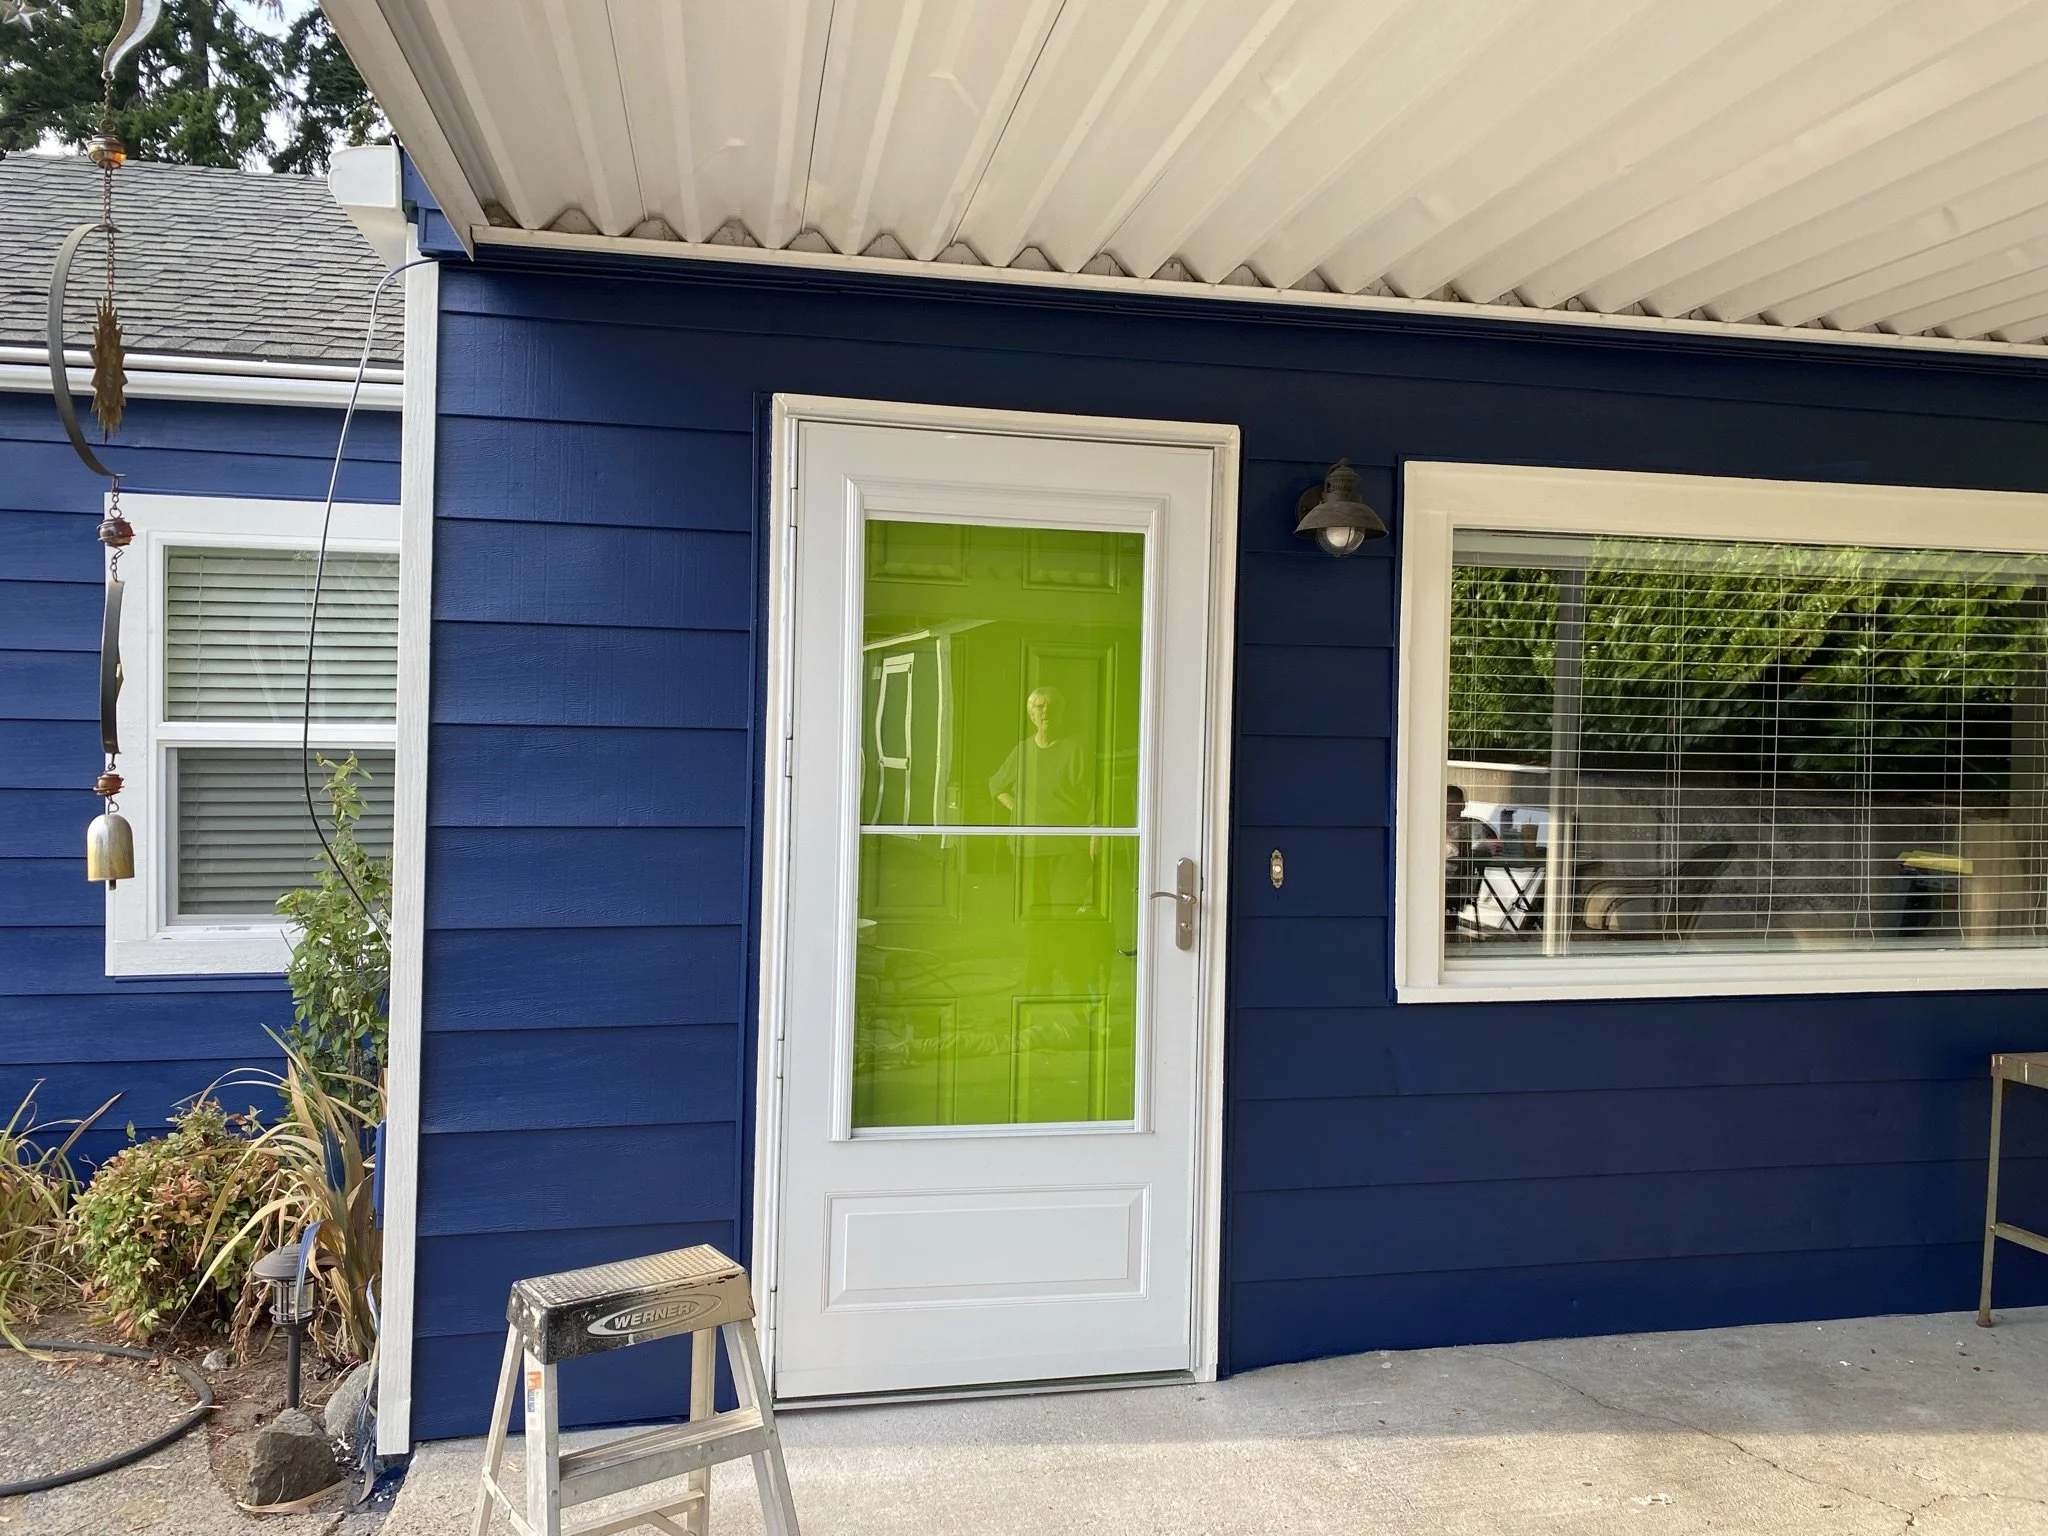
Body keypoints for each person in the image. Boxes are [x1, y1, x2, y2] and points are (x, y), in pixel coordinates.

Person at [990, 686, 1093, 826]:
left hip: (1064, 838)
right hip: (1026, 839)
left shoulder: (1077, 749)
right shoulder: (1023, 750)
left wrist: (1095, 829)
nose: (1045, 710)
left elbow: (1095, 797)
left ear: (1060, 711)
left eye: (1051, 706)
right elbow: (996, 785)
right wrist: (1016, 809)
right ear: (1032, 716)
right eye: (1040, 707)